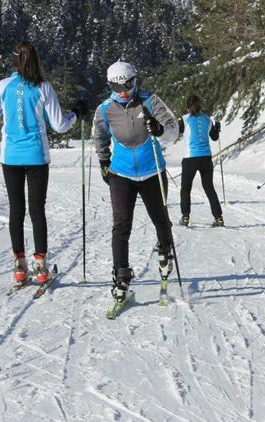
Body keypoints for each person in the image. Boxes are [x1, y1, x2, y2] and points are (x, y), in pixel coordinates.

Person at [0, 41, 86, 284]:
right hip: (36, 156)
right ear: (36, 61)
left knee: (16, 209)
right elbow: (59, 125)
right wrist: (75, 112)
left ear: (15, 62)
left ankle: (19, 265)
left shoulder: (3, 86)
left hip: (10, 157)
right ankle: (41, 266)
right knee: (36, 210)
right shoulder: (43, 87)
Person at [92, 60, 179, 303]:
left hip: (152, 169)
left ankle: (165, 251)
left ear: (134, 81)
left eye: (127, 85)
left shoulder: (150, 101)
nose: (122, 91)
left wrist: (159, 130)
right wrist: (103, 161)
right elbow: (100, 136)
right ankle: (121, 276)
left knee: (160, 219)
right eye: (115, 86)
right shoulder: (105, 109)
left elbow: (174, 131)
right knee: (121, 226)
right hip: (121, 173)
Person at [177, 95, 224, 227]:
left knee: (186, 188)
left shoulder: (184, 119)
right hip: (206, 158)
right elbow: (214, 138)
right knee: (209, 188)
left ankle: (185, 217)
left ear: (187, 106)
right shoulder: (208, 120)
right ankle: (218, 217)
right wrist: (217, 128)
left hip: (190, 158)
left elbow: (175, 132)